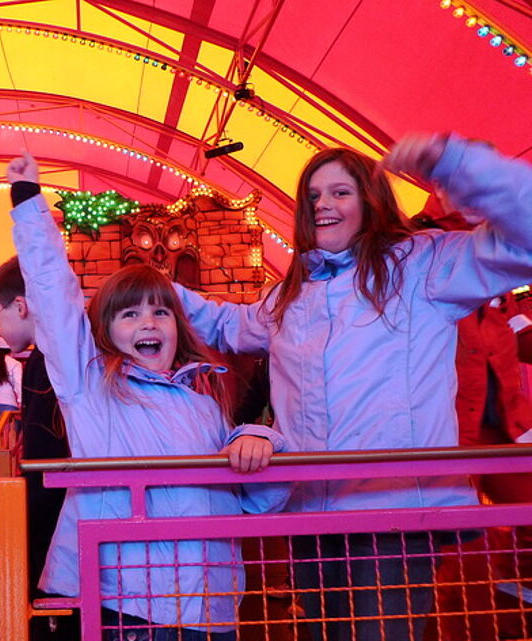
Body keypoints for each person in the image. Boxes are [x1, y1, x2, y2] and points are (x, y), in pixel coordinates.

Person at [175, 133, 532, 641]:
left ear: (371, 200)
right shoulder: (290, 295)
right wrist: (158, 290)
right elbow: (226, 324)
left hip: (394, 516)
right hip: (310, 517)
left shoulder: (422, 266)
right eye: (313, 196)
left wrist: (455, 163)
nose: (323, 204)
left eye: (340, 192)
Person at [7, 152, 289, 641]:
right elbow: (53, 294)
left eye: (160, 313)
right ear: (106, 331)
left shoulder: (204, 402)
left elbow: (255, 499)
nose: (148, 323)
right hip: (127, 602)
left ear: (178, 327)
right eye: (130, 315)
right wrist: (29, 202)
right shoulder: (91, 384)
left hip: (209, 604)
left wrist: (260, 440)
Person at [412, 198, 532, 640]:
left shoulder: (495, 248)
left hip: (504, 425)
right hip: (448, 430)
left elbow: (512, 329)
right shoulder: (421, 248)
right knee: (463, 552)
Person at [0, 255, 77, 641]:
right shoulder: (61, 353)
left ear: (20, 306)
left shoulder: (41, 363)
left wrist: (12, 526)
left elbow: (44, 461)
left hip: (57, 532)